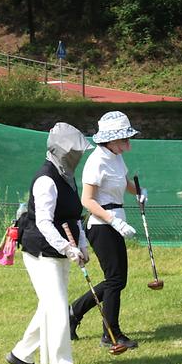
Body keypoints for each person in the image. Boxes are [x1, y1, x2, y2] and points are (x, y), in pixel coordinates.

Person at [7, 123, 93, 364]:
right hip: (40, 251)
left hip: (61, 250)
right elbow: (44, 222)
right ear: (60, 152)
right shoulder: (46, 179)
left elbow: (75, 217)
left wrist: (83, 245)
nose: (78, 156)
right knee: (57, 308)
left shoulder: (67, 176)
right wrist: (67, 247)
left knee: (51, 304)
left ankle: (20, 354)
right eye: (73, 152)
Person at [68, 111, 144, 351]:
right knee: (115, 280)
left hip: (115, 223)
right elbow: (87, 200)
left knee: (117, 280)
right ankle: (111, 333)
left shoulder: (116, 157)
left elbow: (124, 183)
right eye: (124, 140)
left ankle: (73, 313)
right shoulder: (96, 161)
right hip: (102, 226)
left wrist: (139, 192)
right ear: (110, 140)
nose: (128, 144)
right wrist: (115, 221)